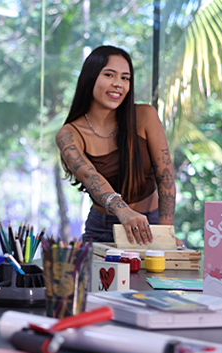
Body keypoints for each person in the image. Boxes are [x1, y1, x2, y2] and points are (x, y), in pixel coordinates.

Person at [55, 45, 180, 246]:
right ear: (90, 77)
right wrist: (123, 211)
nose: (118, 84)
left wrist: (166, 233)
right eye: (109, 75)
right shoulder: (68, 135)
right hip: (102, 229)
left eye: (125, 78)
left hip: (152, 225)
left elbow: (165, 177)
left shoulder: (145, 116)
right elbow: (90, 176)